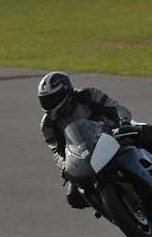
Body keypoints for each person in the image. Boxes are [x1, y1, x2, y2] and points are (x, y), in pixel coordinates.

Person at [38, 71, 152, 208]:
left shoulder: (87, 95)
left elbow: (116, 108)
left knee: (146, 132)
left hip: (113, 133)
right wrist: (63, 165)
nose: (49, 104)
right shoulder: (48, 124)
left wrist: (124, 122)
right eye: (45, 100)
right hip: (84, 154)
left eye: (52, 99)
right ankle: (115, 211)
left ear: (65, 92)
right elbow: (57, 151)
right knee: (73, 197)